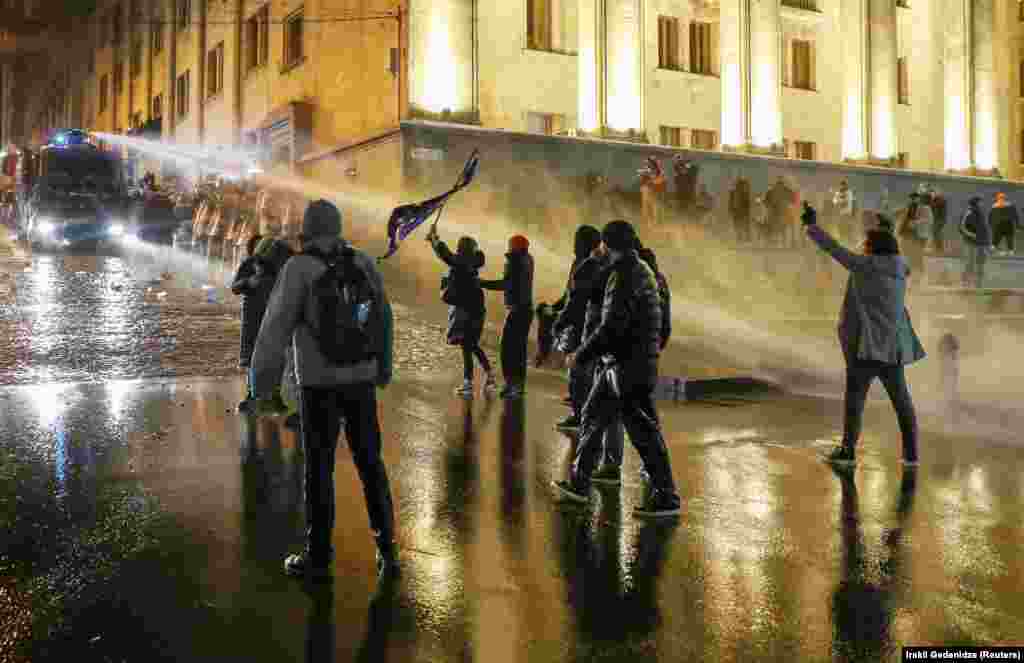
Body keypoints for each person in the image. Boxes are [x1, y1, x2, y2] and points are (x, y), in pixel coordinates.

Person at [250, 199, 397, 579]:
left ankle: (318, 556)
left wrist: (261, 386)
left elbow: (273, 330)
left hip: (318, 384)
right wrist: (383, 367)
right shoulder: (362, 262)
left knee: (319, 469)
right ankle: (387, 551)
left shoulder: (298, 267)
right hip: (361, 379)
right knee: (371, 464)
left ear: (309, 228)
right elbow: (383, 317)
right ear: (339, 225)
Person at [554, 220, 682, 517]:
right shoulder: (635, 270)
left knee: (642, 433)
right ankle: (579, 483)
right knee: (593, 415)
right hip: (626, 364)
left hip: (628, 366)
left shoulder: (625, 276)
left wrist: (580, 355)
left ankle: (667, 497)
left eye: (602, 246)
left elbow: (611, 327)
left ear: (608, 245)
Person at [801, 203, 924, 467]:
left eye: (866, 243)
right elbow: (891, 251)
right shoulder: (902, 267)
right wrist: (887, 230)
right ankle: (912, 454)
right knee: (902, 403)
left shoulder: (864, 266)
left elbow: (833, 249)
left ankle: (847, 451)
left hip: (866, 349)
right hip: (892, 349)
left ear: (871, 248)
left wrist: (811, 226)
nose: (862, 246)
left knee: (855, 402)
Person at [425, 225, 495, 397]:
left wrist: (434, 239)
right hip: (477, 311)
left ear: (462, 249)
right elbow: (447, 256)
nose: (458, 250)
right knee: (471, 345)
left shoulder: (462, 263)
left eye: (460, 248)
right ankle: (489, 375)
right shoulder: (472, 264)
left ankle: (469, 383)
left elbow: (446, 255)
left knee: (467, 346)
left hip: (467, 312)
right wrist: (434, 240)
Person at [552, 226, 606, 431]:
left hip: (584, 326)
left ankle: (579, 415)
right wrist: (556, 307)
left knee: (578, 372)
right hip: (583, 325)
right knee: (581, 372)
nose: (574, 244)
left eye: (578, 240)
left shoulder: (589, 266)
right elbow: (569, 295)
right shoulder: (583, 263)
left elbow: (577, 300)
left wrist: (560, 322)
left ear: (587, 243)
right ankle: (582, 409)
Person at [481, 235, 535, 399]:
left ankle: (511, 384)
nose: (508, 248)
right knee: (519, 349)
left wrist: (481, 283)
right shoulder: (528, 259)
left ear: (515, 247)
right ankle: (518, 385)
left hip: (517, 310)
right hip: (526, 310)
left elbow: (506, 284)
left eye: (510, 245)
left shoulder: (515, 261)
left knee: (507, 349)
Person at [897, 192, 932, 287]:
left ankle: (917, 280)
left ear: (918, 199)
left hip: (917, 237)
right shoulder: (906, 207)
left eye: (915, 198)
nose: (913, 200)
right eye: (911, 198)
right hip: (905, 235)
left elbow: (928, 220)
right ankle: (907, 279)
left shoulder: (924, 208)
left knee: (917, 258)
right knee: (905, 257)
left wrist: (915, 223)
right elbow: (900, 218)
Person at [959, 196, 992, 288]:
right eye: (981, 202)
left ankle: (978, 283)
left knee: (981, 263)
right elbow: (961, 228)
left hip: (982, 243)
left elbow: (984, 228)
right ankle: (965, 282)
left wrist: (987, 242)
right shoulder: (968, 213)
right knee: (970, 263)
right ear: (976, 203)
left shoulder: (981, 213)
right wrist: (972, 235)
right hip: (971, 243)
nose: (982, 204)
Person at [729, 177, 753, 245]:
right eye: (739, 184)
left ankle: (745, 237)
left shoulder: (744, 192)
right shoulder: (734, 192)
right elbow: (731, 202)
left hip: (742, 211)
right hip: (737, 211)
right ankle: (741, 237)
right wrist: (731, 209)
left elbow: (747, 203)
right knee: (738, 225)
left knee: (743, 224)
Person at [928, 186, 948, 253]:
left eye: (933, 193)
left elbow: (934, 206)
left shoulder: (940, 199)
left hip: (940, 220)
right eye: (931, 193)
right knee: (935, 233)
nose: (931, 194)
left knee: (936, 233)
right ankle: (938, 247)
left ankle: (939, 248)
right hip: (937, 219)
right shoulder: (936, 199)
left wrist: (932, 199)